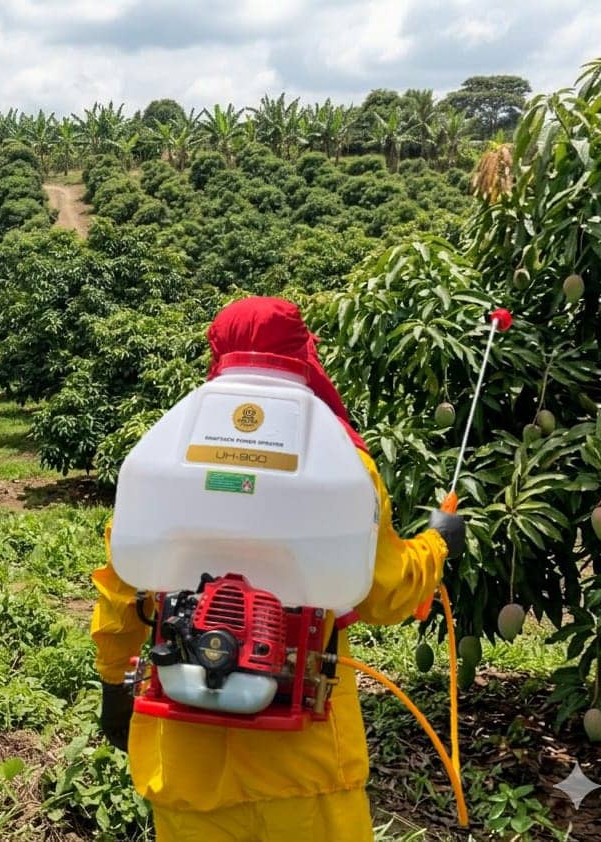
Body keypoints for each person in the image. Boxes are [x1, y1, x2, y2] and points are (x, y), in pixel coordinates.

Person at [91, 296, 466, 841]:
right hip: (303, 753)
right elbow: (384, 595)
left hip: (186, 754)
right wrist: (437, 543)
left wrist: (113, 688)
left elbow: (123, 586)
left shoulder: (169, 452)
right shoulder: (342, 461)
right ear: (302, 353)